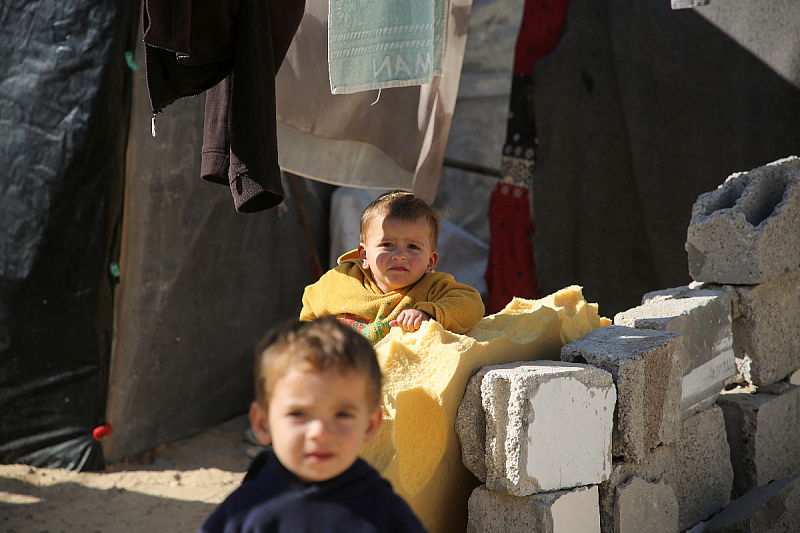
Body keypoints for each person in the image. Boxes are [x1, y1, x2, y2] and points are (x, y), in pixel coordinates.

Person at [199, 317, 427, 532]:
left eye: (343, 415)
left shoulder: (385, 512)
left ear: (370, 425)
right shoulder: (245, 511)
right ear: (263, 423)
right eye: (299, 414)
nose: (320, 433)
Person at [300, 190, 485, 344]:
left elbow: (472, 304)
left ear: (430, 262)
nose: (399, 256)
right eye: (387, 244)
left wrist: (428, 313)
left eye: (413, 246)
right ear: (364, 255)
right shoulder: (342, 280)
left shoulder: (433, 287)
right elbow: (310, 307)